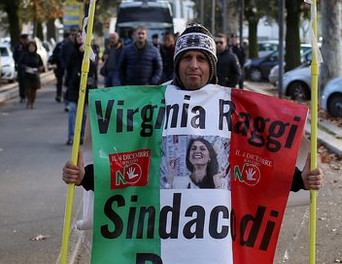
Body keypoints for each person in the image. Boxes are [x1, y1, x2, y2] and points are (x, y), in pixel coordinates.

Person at [62, 23, 323, 192]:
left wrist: (300, 180)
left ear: (212, 65)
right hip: (163, 234)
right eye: (186, 58)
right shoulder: (153, 104)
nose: (194, 65)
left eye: (201, 58)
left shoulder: (233, 106)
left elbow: (255, 163)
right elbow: (131, 159)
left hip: (218, 239)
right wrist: (85, 177)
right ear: (176, 64)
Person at [63, 30, 96, 145]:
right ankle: (71, 136)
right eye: (78, 36)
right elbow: (69, 69)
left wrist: (85, 54)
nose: (80, 38)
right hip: (74, 87)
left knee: (85, 113)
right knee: (72, 109)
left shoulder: (91, 51)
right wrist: (65, 86)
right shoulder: (72, 51)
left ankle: (82, 136)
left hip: (86, 88)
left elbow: (93, 69)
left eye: (82, 36)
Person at [19, 40, 45, 109]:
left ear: (35, 48)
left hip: (35, 74)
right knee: (27, 89)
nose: (31, 48)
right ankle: (28, 100)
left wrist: (38, 69)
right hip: (26, 74)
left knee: (34, 90)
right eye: (30, 46)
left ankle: (32, 103)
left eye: (33, 47)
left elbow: (41, 65)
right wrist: (26, 68)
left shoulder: (37, 56)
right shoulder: (24, 55)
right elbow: (21, 64)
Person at [51, 32, 69, 103]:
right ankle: (60, 95)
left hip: (64, 66)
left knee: (62, 82)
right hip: (60, 66)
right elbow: (54, 55)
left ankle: (62, 96)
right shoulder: (60, 45)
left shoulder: (61, 45)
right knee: (60, 82)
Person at [14, 33, 30, 104]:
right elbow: (15, 55)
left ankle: (28, 95)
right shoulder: (18, 46)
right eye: (26, 39)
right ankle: (22, 96)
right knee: (21, 82)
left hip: (28, 66)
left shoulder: (28, 46)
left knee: (28, 81)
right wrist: (18, 63)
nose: (27, 40)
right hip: (21, 67)